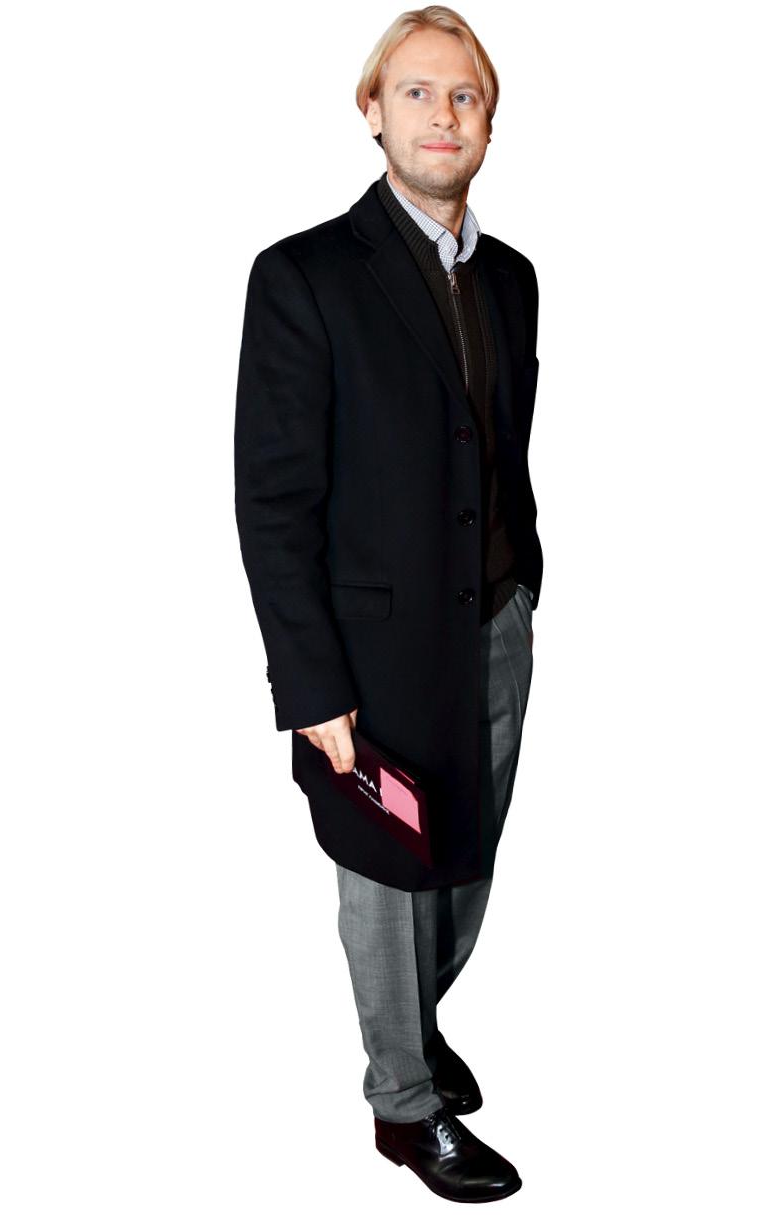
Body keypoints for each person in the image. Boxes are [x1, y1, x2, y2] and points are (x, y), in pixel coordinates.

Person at [234, 6, 542, 1202]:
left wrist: (523, 589)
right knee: (387, 884)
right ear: (372, 112)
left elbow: (496, 447)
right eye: (415, 92)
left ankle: (418, 1024)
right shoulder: (304, 276)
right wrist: (311, 685)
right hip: (368, 658)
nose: (441, 115)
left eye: (464, 95)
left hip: (493, 628)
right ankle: (404, 1107)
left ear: (489, 122)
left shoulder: (511, 279)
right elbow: (274, 501)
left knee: (464, 865)